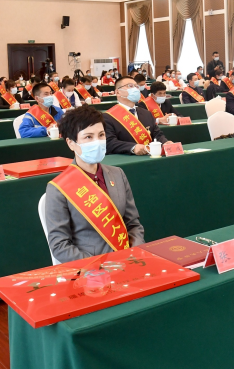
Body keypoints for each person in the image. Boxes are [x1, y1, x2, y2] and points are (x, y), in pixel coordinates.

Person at [45, 106, 145, 263]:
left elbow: (133, 224)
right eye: (88, 137)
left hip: (128, 260)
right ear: (71, 143)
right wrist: (99, 267)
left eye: (101, 135)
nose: (97, 142)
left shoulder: (117, 174)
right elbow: (60, 245)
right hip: (92, 269)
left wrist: (134, 252)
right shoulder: (58, 188)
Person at [103, 76, 170, 155]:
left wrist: (165, 142)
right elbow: (110, 142)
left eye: (136, 86)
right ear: (117, 92)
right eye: (130, 86)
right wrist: (133, 147)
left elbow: (157, 134)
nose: (135, 89)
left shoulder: (146, 113)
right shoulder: (108, 117)